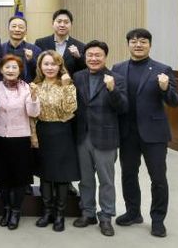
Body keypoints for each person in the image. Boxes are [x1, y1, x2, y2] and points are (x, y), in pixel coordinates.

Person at [112, 28, 178, 238]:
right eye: (134, 41)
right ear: (128, 44)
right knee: (128, 175)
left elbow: (175, 101)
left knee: (158, 178)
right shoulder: (118, 68)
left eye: (143, 41)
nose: (138, 45)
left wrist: (165, 88)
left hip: (154, 134)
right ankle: (133, 213)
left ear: (150, 45)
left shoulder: (162, 69)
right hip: (127, 133)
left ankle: (158, 220)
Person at [72, 40, 128, 237]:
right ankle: (88, 213)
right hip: (82, 136)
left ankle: (106, 216)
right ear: (85, 57)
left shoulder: (116, 78)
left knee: (106, 181)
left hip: (106, 137)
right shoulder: (78, 76)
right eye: (90, 55)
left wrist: (113, 90)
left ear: (105, 57)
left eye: (98, 55)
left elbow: (123, 108)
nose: (94, 58)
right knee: (86, 179)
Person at [0, 54, 40, 230]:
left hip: (21, 138)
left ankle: (16, 211)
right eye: (7, 67)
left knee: (19, 179)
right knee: (3, 178)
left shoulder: (27, 88)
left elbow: (33, 113)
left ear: (20, 70)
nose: (10, 70)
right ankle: (6, 209)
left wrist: (34, 97)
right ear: (1, 69)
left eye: (14, 67)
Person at [32, 50, 79, 232]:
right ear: (40, 66)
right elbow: (31, 115)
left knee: (61, 176)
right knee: (45, 175)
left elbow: (69, 110)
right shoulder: (35, 86)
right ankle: (47, 212)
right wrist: (33, 135)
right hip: (42, 131)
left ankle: (60, 215)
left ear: (60, 66)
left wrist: (66, 87)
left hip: (62, 132)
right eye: (46, 64)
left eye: (54, 64)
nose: (50, 67)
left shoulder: (68, 85)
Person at [35, 9, 86, 76]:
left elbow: (85, 70)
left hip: (70, 82)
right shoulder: (40, 43)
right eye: (59, 21)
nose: (62, 25)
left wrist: (78, 57)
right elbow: (36, 67)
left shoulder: (80, 46)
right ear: (53, 23)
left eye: (66, 22)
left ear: (71, 24)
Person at [1, 16, 42, 82]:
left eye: (21, 27)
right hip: (2, 86)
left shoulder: (35, 50)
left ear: (26, 31)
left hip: (27, 87)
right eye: (14, 26)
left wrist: (31, 60)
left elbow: (40, 73)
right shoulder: (0, 48)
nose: (17, 29)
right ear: (8, 29)